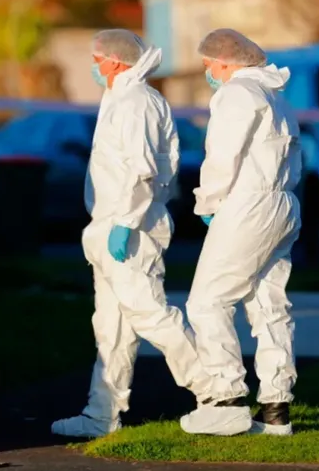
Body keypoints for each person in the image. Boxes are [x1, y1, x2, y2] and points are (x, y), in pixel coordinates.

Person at [51, 30, 211, 438]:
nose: (93, 65)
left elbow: (144, 170)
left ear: (116, 62)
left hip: (131, 226)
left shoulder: (135, 102)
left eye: (96, 58)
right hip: (111, 224)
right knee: (111, 325)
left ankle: (216, 391)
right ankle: (101, 412)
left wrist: (125, 222)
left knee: (150, 313)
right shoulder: (122, 97)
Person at [181, 29, 301, 437]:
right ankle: (275, 410)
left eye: (209, 65)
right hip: (283, 203)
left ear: (227, 62)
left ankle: (227, 400)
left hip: (247, 204)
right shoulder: (277, 97)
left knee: (206, 302)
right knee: (268, 305)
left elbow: (222, 156)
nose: (208, 72)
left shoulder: (235, 95)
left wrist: (207, 203)